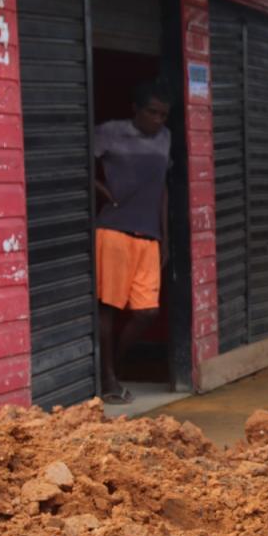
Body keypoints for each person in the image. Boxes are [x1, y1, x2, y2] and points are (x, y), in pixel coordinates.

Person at [93, 81, 173, 404]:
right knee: (108, 307)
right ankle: (109, 379)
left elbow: (164, 189)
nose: (158, 120)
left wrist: (164, 236)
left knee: (147, 312)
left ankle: (113, 365)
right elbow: (72, 158)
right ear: (135, 110)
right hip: (113, 232)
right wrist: (99, 188)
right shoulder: (110, 132)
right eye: (152, 112)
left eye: (164, 115)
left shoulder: (165, 139)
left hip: (148, 236)